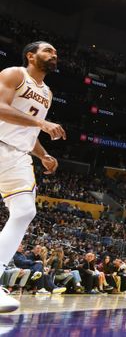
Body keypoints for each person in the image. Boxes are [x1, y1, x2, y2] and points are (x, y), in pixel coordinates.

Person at [0, 41, 65, 312]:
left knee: (25, 211)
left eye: (56, 53)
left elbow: (28, 129)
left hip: (18, 155)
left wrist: (42, 155)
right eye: (48, 50)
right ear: (31, 55)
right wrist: (41, 123)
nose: (54, 55)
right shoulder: (14, 74)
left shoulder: (47, 93)